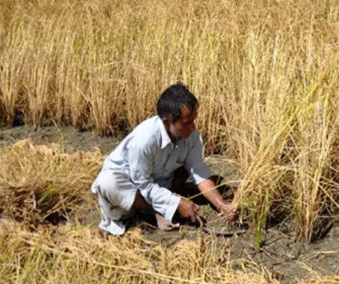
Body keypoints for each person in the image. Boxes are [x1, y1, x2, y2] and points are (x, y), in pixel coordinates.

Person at [91, 84, 238, 235]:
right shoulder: (144, 140)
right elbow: (143, 184)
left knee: (186, 165)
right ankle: (156, 208)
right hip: (132, 187)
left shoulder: (192, 135)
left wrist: (221, 204)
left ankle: (163, 204)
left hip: (161, 184)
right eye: (187, 123)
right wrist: (175, 204)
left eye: (194, 120)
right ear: (167, 122)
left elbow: (199, 172)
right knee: (107, 182)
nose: (193, 127)